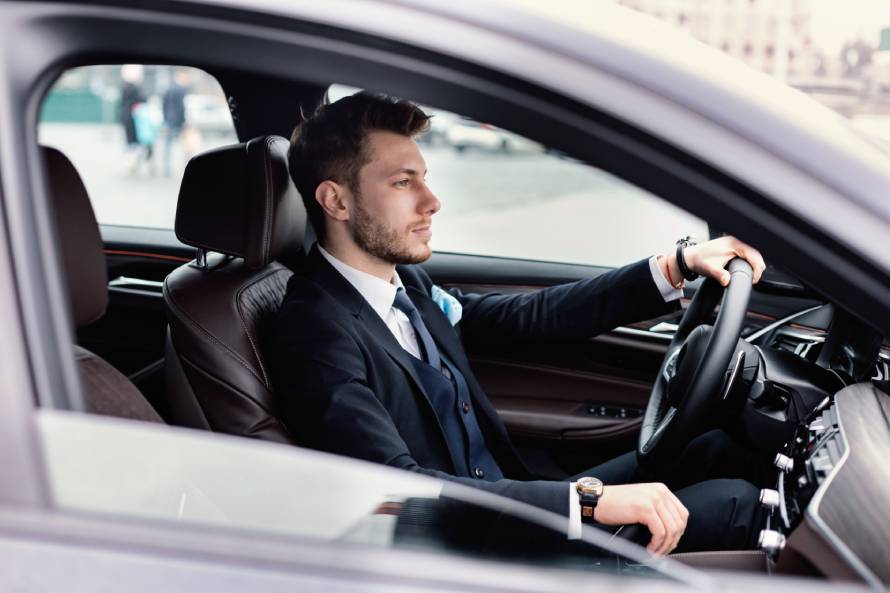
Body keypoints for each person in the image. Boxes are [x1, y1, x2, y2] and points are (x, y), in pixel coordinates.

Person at [272, 92, 770, 556]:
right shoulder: (312, 329)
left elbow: (529, 317)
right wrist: (586, 504)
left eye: (424, 177)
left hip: (507, 504)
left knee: (715, 448)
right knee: (737, 505)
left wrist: (674, 266)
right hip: (469, 548)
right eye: (403, 182)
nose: (431, 200)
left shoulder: (409, 287)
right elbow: (395, 491)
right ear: (335, 201)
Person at [162, 69, 190, 177]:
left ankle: (167, 169)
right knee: (185, 145)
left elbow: (163, 105)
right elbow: (181, 108)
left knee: (168, 146)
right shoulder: (180, 90)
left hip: (169, 121)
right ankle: (188, 166)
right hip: (177, 122)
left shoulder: (169, 88)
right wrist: (183, 121)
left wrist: (165, 119)